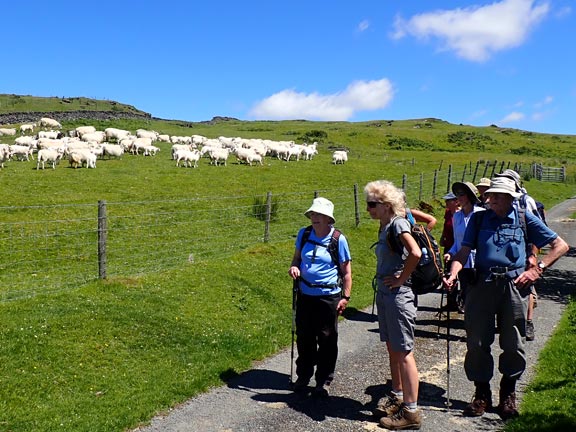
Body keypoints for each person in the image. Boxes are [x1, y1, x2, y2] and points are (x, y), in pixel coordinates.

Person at [443, 177, 569, 421]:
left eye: (497, 196)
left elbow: (560, 245)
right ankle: (481, 394)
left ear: (511, 197)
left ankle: (508, 395)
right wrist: (453, 273)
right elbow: (463, 251)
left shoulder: (523, 218)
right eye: (491, 195)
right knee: (477, 341)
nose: (491, 199)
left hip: (514, 287)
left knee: (513, 342)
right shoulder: (480, 219)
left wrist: (537, 269)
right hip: (482, 285)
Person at [364, 180, 422, 430]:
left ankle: (411, 411)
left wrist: (401, 278)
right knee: (392, 348)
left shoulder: (397, 223)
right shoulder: (385, 225)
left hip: (398, 296)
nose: (368, 209)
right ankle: (398, 396)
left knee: (404, 352)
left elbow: (416, 252)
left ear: (386, 205)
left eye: (372, 204)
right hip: (387, 294)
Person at [288, 197, 352, 397]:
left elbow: (347, 272)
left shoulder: (338, 239)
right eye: (313, 214)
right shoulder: (304, 234)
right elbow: (297, 258)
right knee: (304, 337)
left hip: (328, 297)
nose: (315, 218)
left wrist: (346, 297)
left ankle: (323, 380)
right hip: (305, 294)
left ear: (328, 218)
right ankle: (304, 376)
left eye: (319, 215)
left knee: (326, 339)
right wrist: (294, 268)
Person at [494, 169, 542, 341]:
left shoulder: (525, 202)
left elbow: (537, 230)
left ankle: (527, 322)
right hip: (504, 251)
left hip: (524, 251)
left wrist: (533, 255)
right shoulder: (493, 201)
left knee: (526, 288)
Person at [443, 182, 484, 313]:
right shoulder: (456, 216)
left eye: (461, 194)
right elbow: (457, 242)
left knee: (479, 296)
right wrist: (450, 252)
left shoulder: (481, 214)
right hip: (462, 262)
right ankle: (470, 325)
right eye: (457, 195)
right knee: (467, 294)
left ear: (470, 196)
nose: (458, 198)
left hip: (479, 262)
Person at [440, 192, 460, 256]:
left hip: (457, 244)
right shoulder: (448, 212)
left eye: (448, 200)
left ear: (456, 202)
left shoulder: (461, 214)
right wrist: (442, 237)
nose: (446, 202)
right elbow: (445, 225)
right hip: (448, 243)